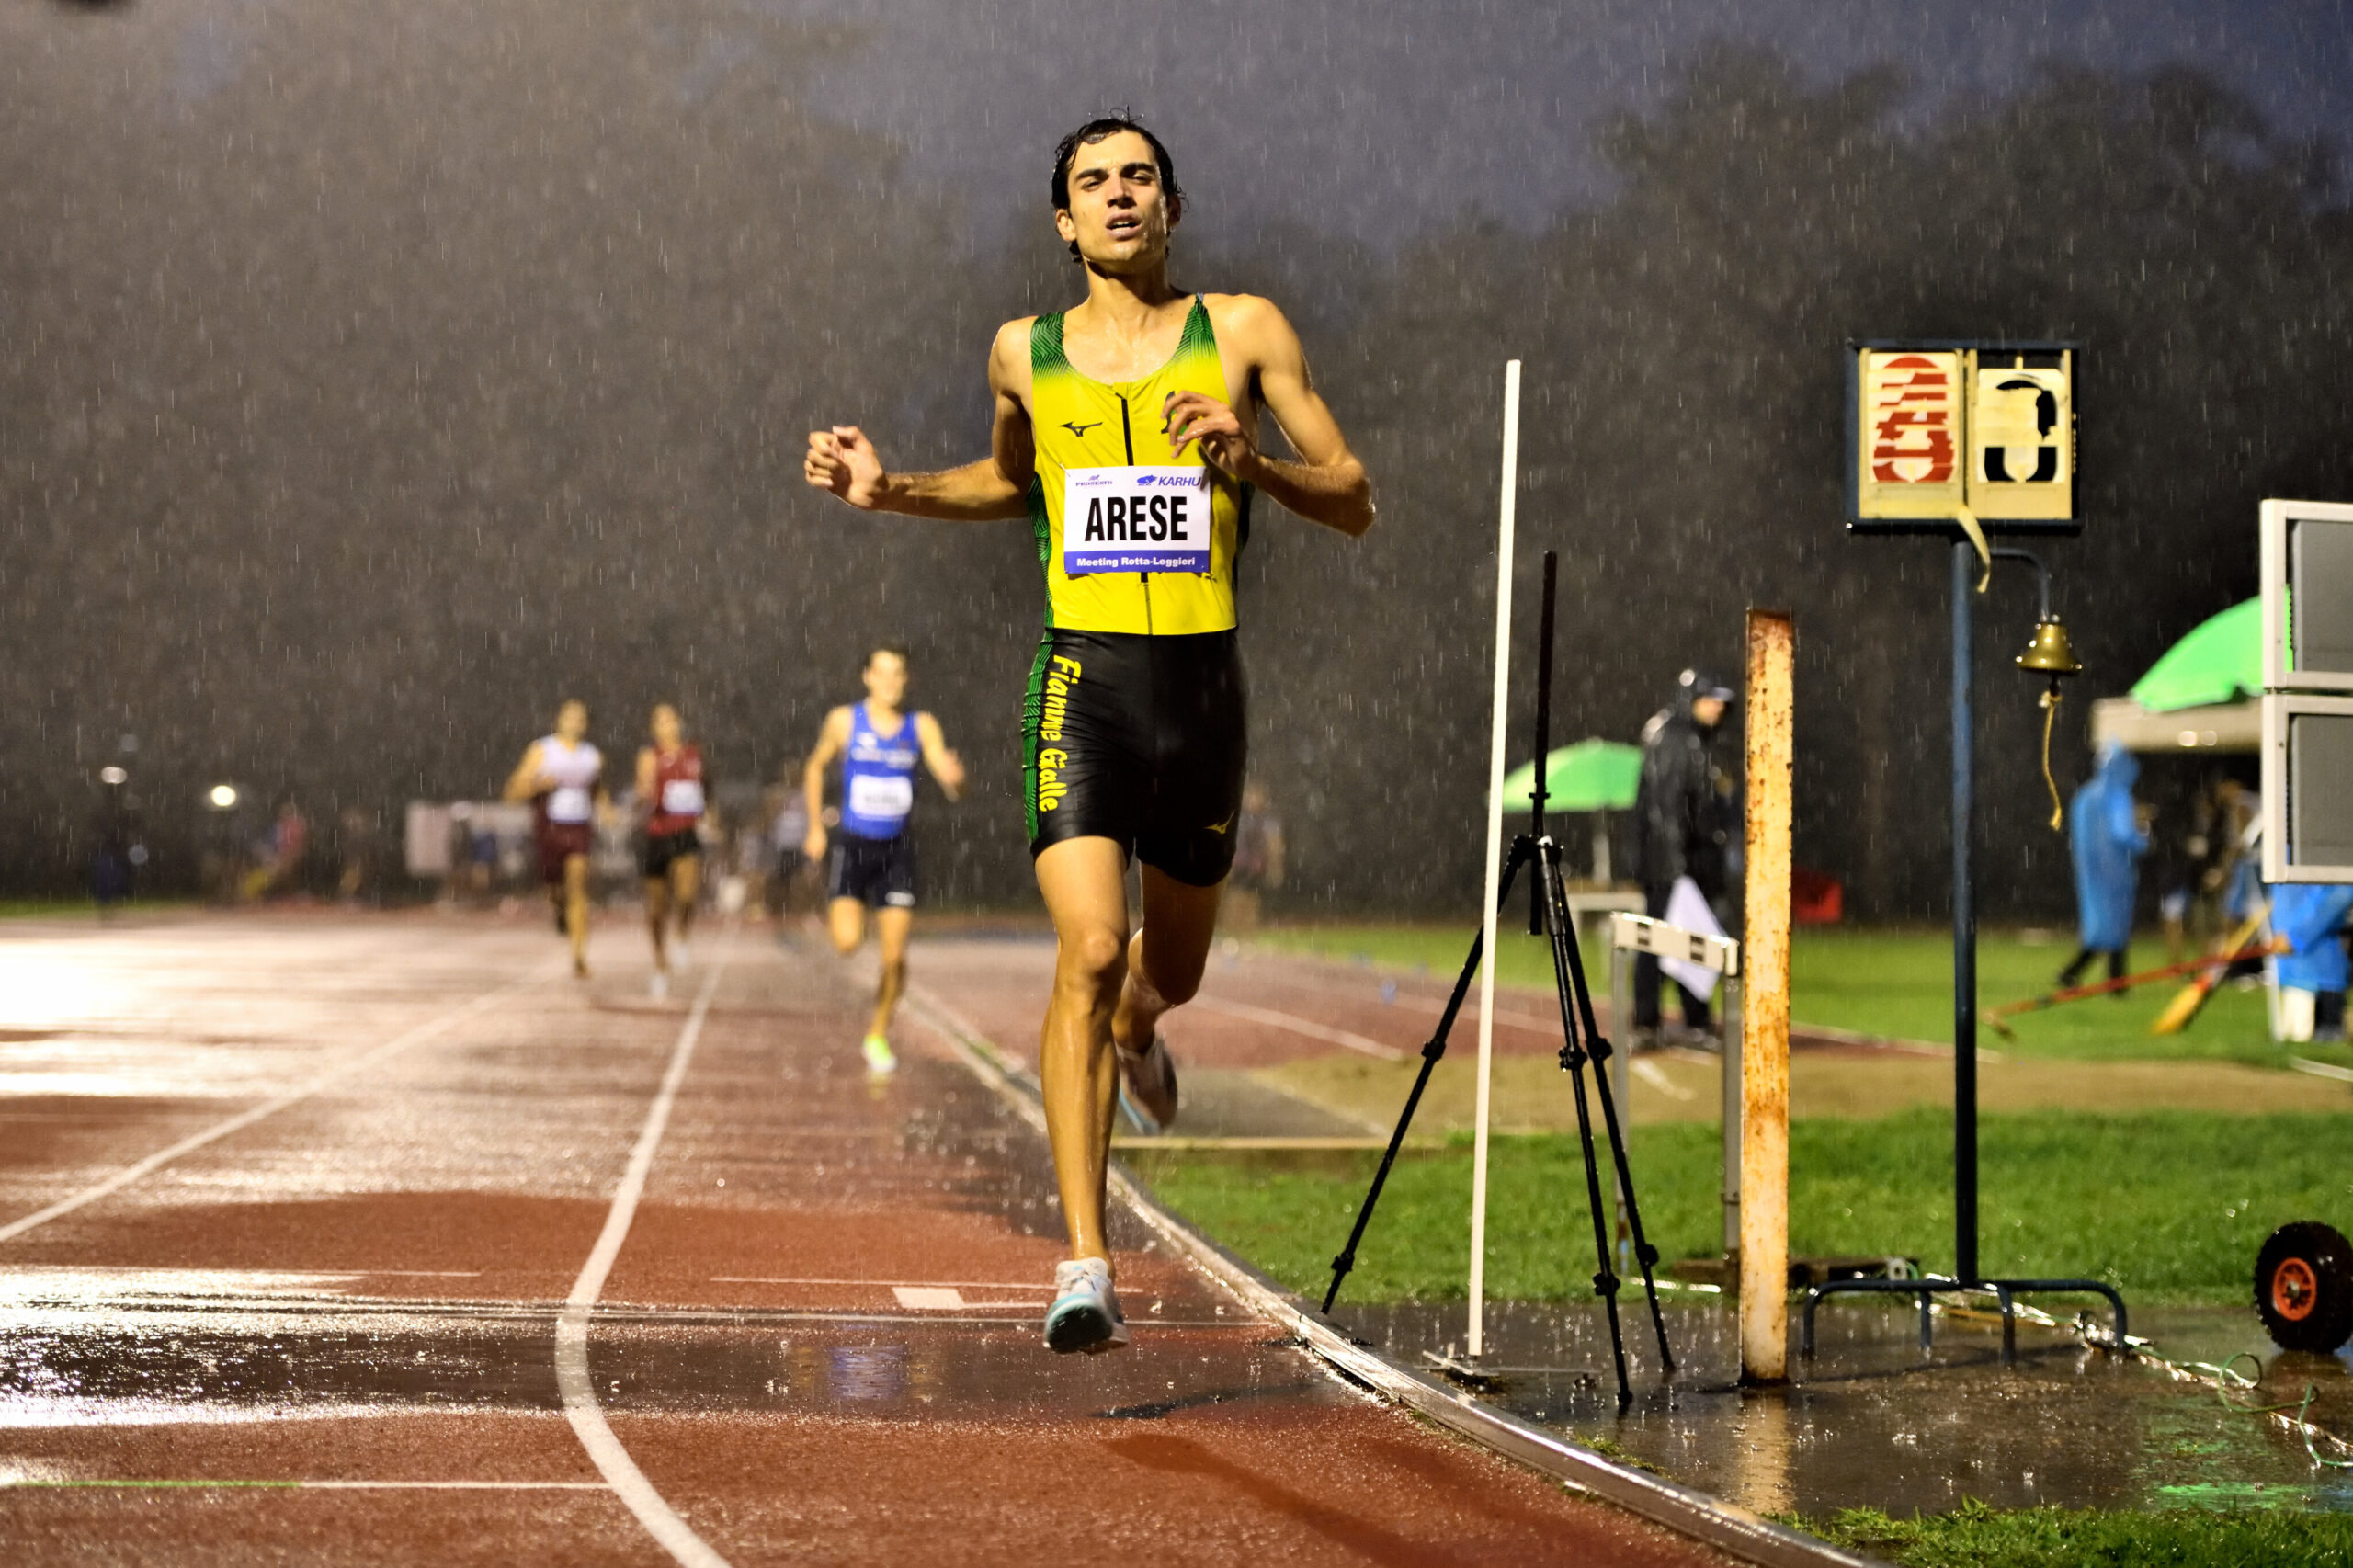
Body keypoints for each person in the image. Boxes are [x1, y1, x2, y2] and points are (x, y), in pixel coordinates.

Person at [803, 115, 1374, 1353]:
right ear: (1062, 221)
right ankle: (1083, 1259)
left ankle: (1138, 1028)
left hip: (1204, 695)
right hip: (1085, 686)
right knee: (1089, 945)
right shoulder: (1024, 352)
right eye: (1092, 184)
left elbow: (1358, 499)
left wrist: (1254, 462)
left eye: (1139, 178)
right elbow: (1013, 484)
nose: (1118, 197)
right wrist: (889, 488)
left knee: (1166, 973)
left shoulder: (1250, 332)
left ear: (1172, 203)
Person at [802, 646, 965, 1075]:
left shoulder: (921, 725)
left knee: (893, 957)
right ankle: (859, 912)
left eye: (898, 674)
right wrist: (816, 827)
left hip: (897, 850)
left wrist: (955, 780)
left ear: (906, 680)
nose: (890, 682)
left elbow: (947, 779)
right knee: (847, 943)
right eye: (883, 673)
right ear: (867, 677)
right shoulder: (844, 721)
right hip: (853, 846)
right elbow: (815, 767)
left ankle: (877, 1032)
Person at [1630, 668, 1737, 1040]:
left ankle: (1690, 1019)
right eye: (1709, 701)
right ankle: (1650, 1022)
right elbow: (1666, 808)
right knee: (1660, 940)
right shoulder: (1675, 738)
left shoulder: (1689, 738)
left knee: (1691, 940)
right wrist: (1676, 868)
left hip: (1684, 862)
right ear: (1689, 700)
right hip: (1673, 864)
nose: (1717, 710)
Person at [504, 699, 605, 978]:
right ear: (559, 720)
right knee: (555, 890)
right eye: (571, 717)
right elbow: (511, 792)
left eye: (581, 718)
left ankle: (579, 957)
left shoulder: (591, 756)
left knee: (579, 889)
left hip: (579, 830)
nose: (576, 723)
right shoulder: (542, 751)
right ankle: (559, 910)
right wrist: (538, 784)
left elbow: (598, 791)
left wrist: (607, 810)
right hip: (549, 830)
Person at [2059, 744, 2149, 991]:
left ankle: (2097, 977)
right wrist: (2142, 840)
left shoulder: (2085, 796)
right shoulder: (2118, 797)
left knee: (2099, 924)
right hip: (2116, 871)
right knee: (2115, 926)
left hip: (2090, 871)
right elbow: (2123, 834)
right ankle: (2114, 981)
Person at [636, 703, 706, 999]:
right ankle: (660, 965)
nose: (667, 726)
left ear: (679, 723)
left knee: (688, 894)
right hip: (657, 834)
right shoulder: (649, 756)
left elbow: (704, 789)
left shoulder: (693, 754)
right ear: (654, 728)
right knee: (656, 909)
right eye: (660, 722)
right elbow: (643, 790)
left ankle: (682, 937)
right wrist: (648, 790)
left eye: (671, 720)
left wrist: (705, 813)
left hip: (685, 833)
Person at [2270, 882, 2353, 1044]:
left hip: (2322, 978)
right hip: (2292, 971)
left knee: (2320, 1040)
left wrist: (2296, 937)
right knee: (2293, 1041)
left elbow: (2340, 894)